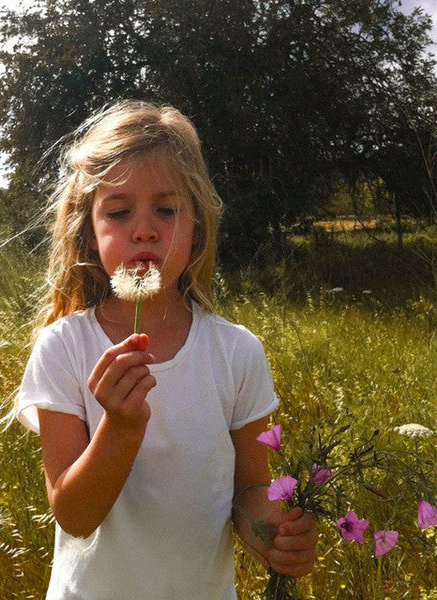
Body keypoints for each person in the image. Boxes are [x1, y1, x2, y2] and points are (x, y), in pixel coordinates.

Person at [16, 100, 317, 600]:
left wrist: (276, 537)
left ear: (196, 227)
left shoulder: (236, 352)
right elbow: (74, 515)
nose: (144, 229)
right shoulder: (64, 348)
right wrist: (120, 427)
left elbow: (249, 491)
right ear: (89, 234)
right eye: (119, 211)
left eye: (167, 209)